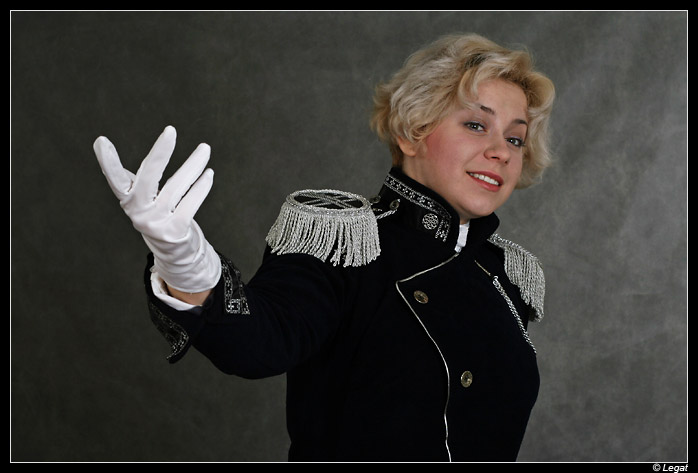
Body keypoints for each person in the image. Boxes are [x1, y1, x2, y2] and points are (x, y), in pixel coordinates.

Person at [93, 33, 555, 462]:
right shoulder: (343, 240)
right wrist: (188, 265)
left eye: (515, 138)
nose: (502, 151)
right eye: (476, 124)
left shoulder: (505, 275)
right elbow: (258, 343)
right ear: (412, 132)